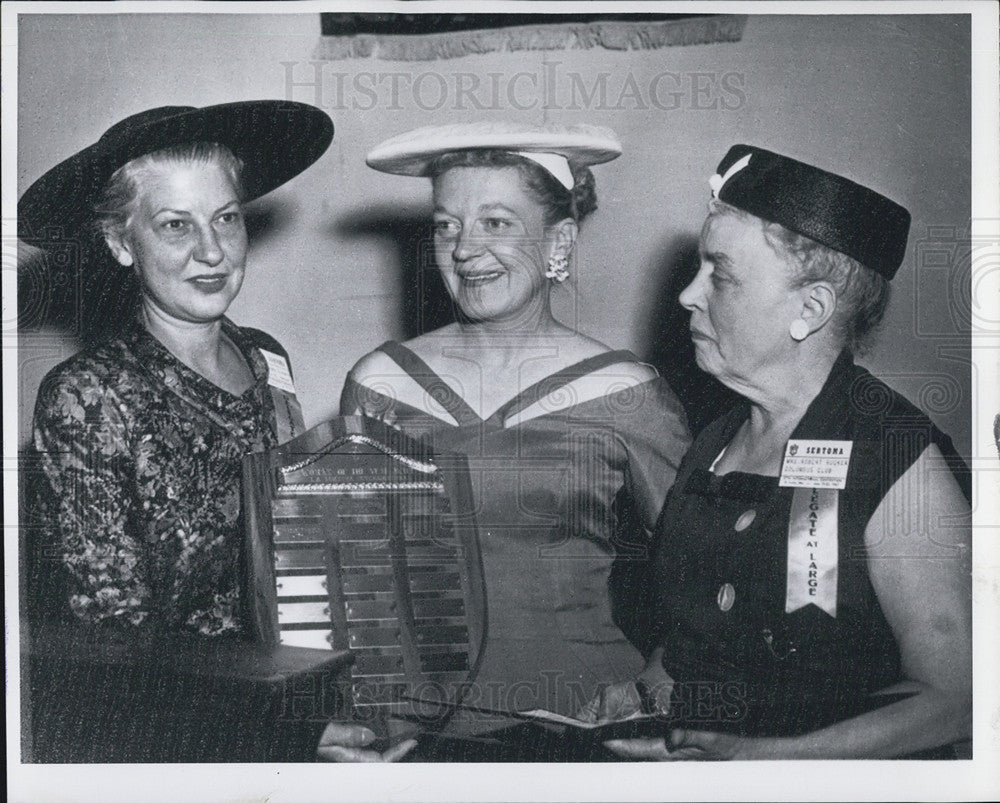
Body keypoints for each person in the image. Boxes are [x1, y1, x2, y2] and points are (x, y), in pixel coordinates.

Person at [580, 145, 972, 759]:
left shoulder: (896, 453)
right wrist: (646, 695)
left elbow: (956, 700)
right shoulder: (714, 443)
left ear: (809, 310)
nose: (687, 294)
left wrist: (764, 764)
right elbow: (697, 640)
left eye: (721, 275)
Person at [319, 122, 691, 761]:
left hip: (578, 722)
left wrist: (655, 691)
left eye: (495, 223)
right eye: (446, 225)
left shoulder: (629, 392)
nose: (464, 249)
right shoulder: (379, 382)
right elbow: (352, 579)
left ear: (559, 239)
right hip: (408, 726)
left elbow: (704, 574)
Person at [21, 101, 333, 636]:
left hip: (298, 682)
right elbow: (114, 628)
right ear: (121, 243)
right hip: (182, 707)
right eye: (175, 225)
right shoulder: (87, 397)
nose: (212, 251)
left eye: (226, 218)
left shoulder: (266, 358)